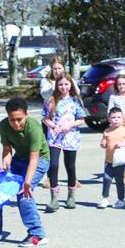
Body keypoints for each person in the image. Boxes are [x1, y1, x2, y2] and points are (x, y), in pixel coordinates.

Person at [0, 98, 49, 246]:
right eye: (12, 120)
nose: (16, 124)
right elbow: (7, 150)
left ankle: (37, 233)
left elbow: (34, 158)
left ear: (26, 115)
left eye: (19, 119)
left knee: (23, 194)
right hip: (19, 158)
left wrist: (27, 182)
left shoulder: (34, 128)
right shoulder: (4, 125)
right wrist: (5, 165)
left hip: (40, 160)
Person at [43, 73, 86, 211]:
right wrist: (54, 126)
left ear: (71, 85)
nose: (63, 87)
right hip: (54, 138)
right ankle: (54, 198)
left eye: (66, 84)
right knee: (53, 165)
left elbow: (82, 119)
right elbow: (46, 118)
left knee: (70, 167)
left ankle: (71, 196)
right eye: (60, 84)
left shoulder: (75, 101)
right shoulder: (51, 100)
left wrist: (70, 125)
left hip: (71, 138)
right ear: (56, 85)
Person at [98, 108, 125, 209]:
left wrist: (123, 144)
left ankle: (121, 200)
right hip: (108, 161)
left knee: (119, 181)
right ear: (109, 119)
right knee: (106, 179)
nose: (116, 119)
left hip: (119, 161)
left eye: (119, 117)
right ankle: (105, 198)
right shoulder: (107, 130)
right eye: (113, 117)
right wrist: (103, 143)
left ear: (123, 119)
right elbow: (103, 142)